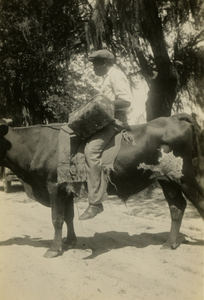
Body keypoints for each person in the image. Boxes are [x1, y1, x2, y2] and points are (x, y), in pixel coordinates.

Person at [79, 49, 133, 220]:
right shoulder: (107, 77)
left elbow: (125, 100)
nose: (93, 67)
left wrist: (100, 105)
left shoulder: (115, 74)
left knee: (91, 151)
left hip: (115, 121)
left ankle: (95, 203)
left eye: (95, 64)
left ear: (104, 63)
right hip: (105, 120)